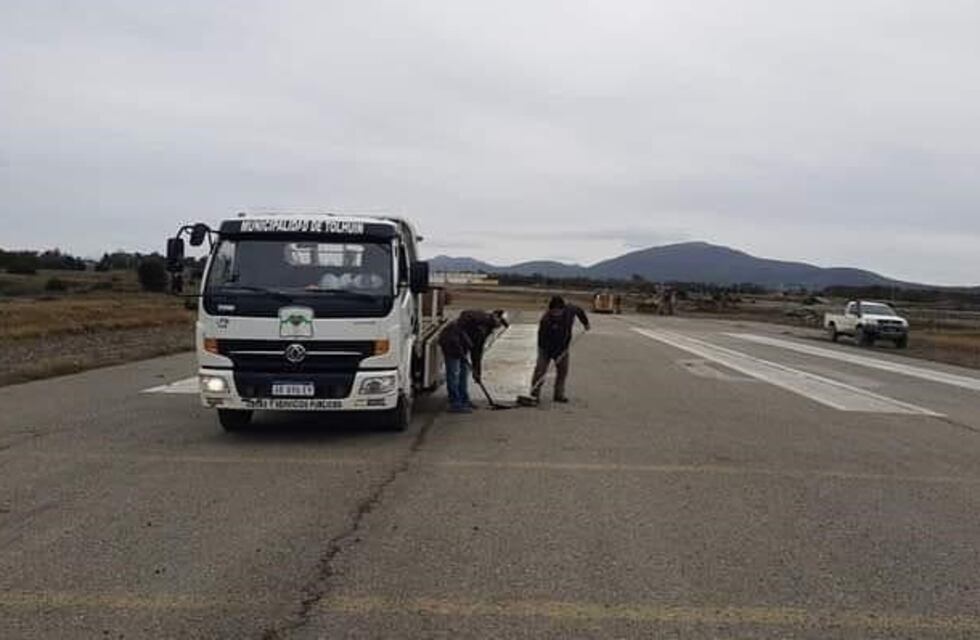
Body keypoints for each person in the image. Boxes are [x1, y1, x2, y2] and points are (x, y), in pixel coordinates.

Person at [439, 309, 508, 413]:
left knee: (464, 372)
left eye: (502, 324)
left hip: (462, 346)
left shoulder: (486, 330)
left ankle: (464, 399)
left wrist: (477, 372)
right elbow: (465, 315)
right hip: (451, 342)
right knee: (453, 373)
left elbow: (477, 351)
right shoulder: (481, 316)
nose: (499, 325)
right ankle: (455, 403)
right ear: (495, 316)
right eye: (500, 321)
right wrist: (459, 335)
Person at [529, 296, 590, 403]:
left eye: (558, 312)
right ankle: (534, 394)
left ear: (563, 309)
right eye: (554, 313)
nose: (556, 315)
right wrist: (554, 354)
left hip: (563, 348)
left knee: (562, 372)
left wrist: (585, 323)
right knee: (540, 370)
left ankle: (559, 395)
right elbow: (543, 341)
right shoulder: (545, 320)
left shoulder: (570, 310)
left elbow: (580, 311)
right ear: (550, 310)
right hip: (545, 349)